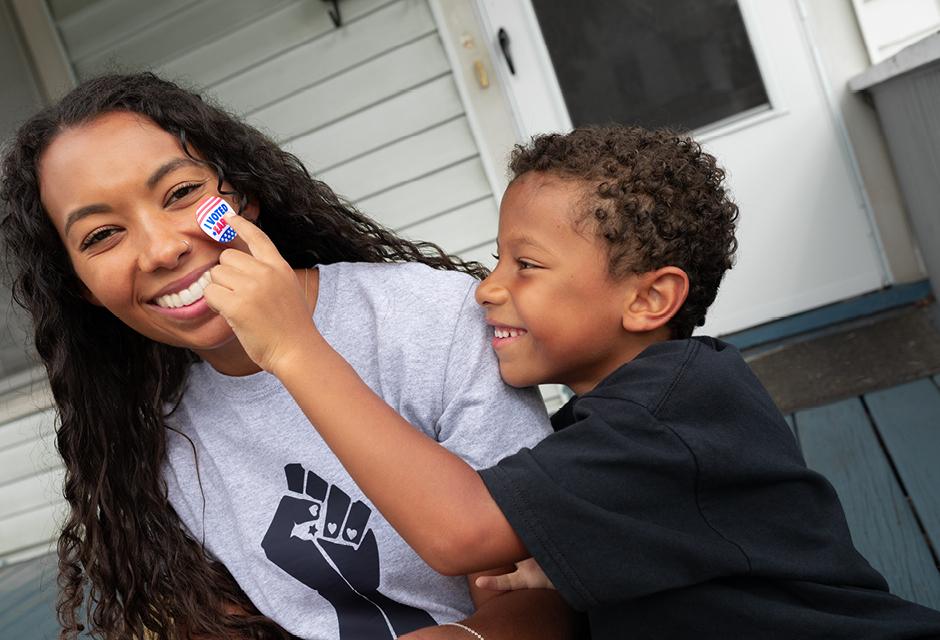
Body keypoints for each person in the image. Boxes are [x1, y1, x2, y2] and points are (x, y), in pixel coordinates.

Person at [209, 125, 940, 639]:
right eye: (495, 261)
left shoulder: (678, 403)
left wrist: (295, 349)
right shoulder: (612, 427)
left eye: (525, 265)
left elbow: (460, 532)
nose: (486, 289)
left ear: (649, 299)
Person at [0, 73, 579, 640]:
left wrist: (291, 348)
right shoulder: (155, 433)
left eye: (180, 194)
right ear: (79, 285)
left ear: (242, 194)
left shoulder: (426, 322)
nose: (162, 249)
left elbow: (543, 596)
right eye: (102, 235)